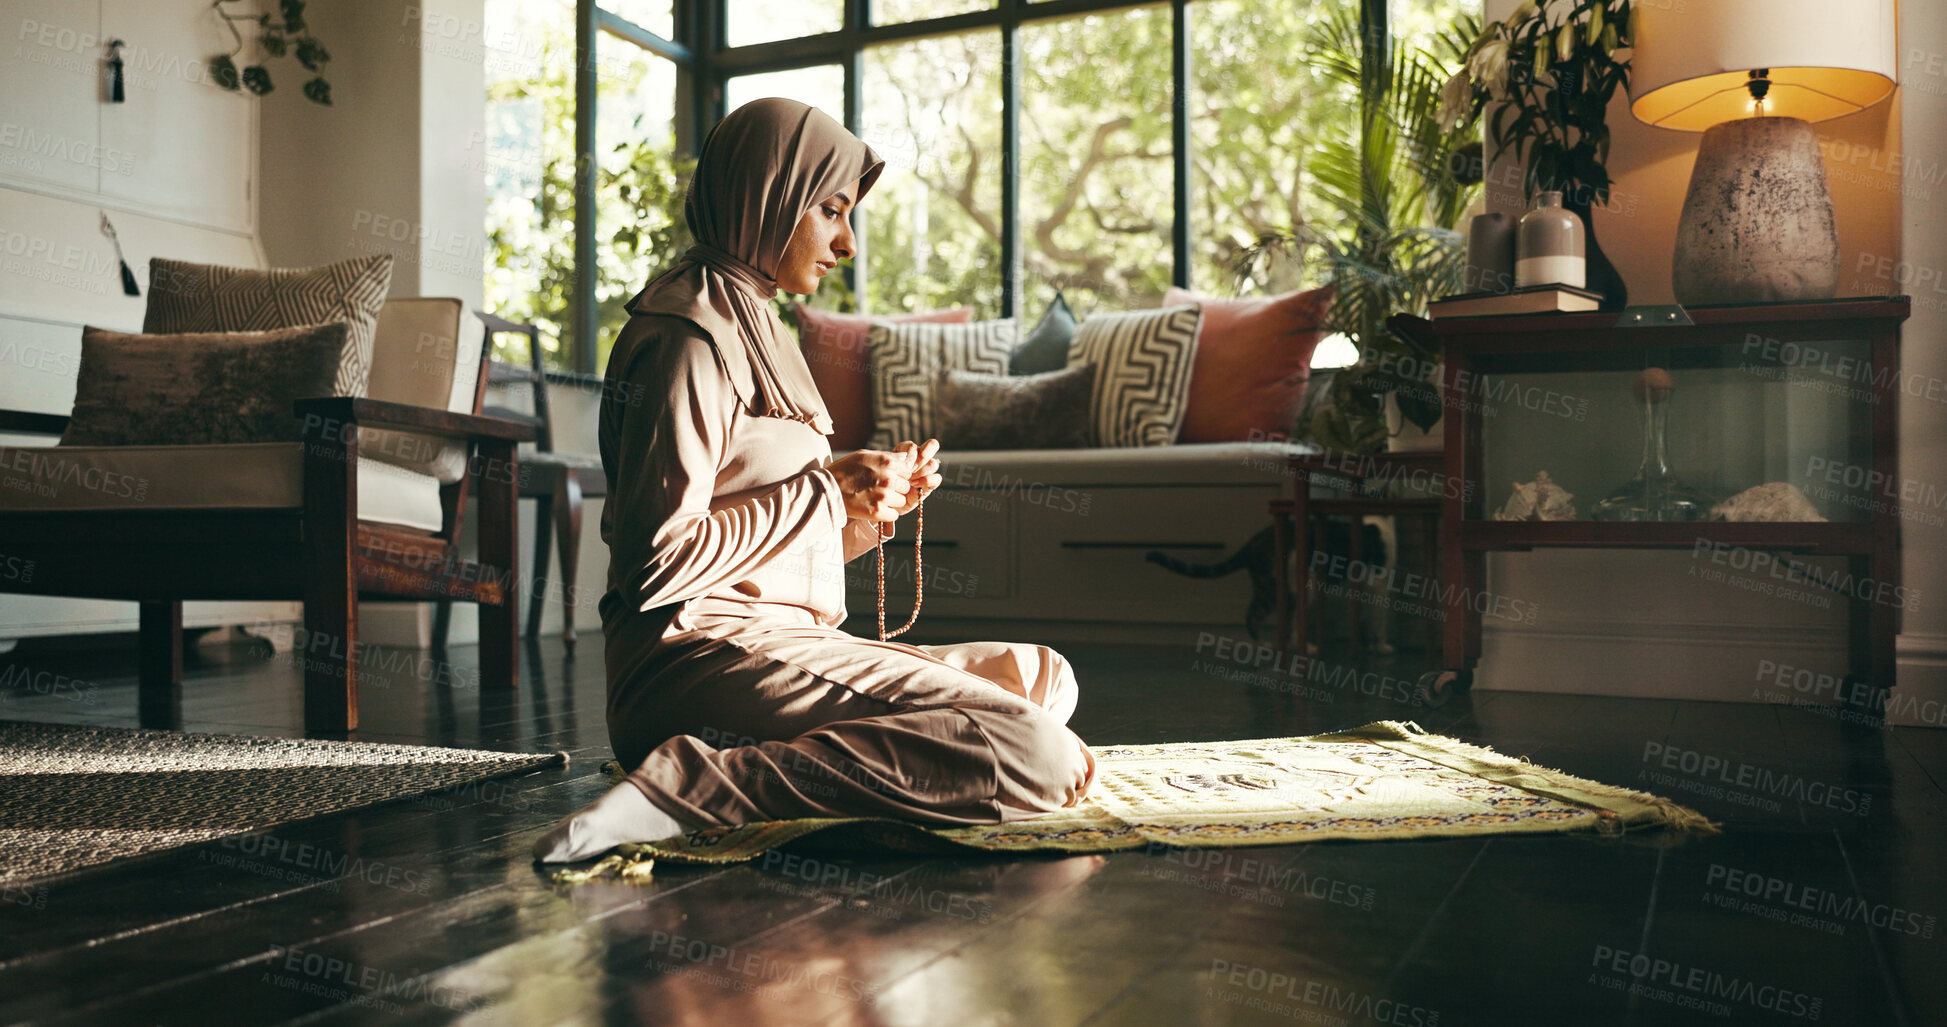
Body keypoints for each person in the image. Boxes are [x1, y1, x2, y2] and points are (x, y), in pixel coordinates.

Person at [533, 98, 1096, 862]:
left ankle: (830, 758)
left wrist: (863, 511)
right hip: (691, 658)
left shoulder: (761, 324)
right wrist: (824, 492)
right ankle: (689, 788)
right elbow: (655, 563)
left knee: (1040, 675)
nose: (847, 242)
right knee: (1041, 755)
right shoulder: (685, 337)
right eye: (830, 210)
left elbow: (774, 550)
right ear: (764, 195)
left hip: (785, 640)